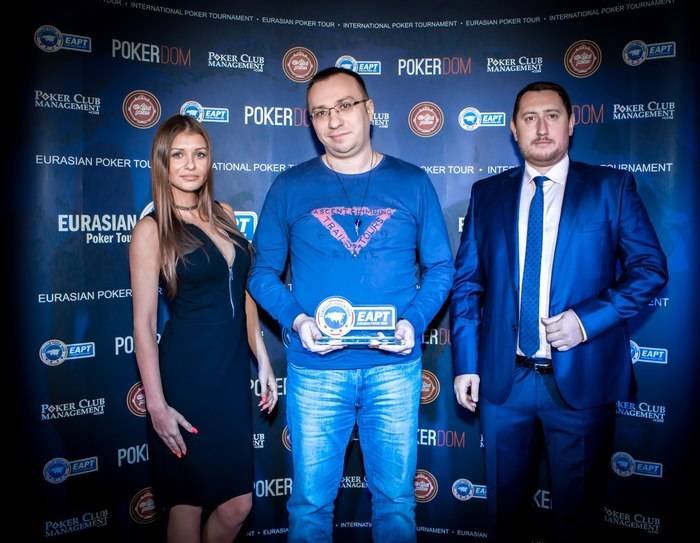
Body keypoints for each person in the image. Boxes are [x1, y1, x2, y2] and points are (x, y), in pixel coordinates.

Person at [451, 81, 667, 542]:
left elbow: (650, 269)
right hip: (503, 384)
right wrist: (466, 362)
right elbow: (468, 283)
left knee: (577, 521)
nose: (541, 127)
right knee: (504, 520)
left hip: (581, 383)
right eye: (529, 118)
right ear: (513, 129)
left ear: (571, 124)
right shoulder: (487, 194)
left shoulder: (611, 187)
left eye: (552, 115)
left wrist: (586, 321)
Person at [248, 67, 454, 542]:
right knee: (310, 507)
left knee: (396, 504)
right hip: (316, 371)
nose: (333, 120)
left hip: (394, 369)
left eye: (344, 106)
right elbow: (261, 273)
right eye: (320, 112)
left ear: (369, 110)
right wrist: (298, 321)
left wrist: (414, 322)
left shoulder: (412, 182)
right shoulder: (290, 186)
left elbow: (441, 267)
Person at [129, 114, 277, 543]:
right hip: (185, 379)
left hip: (229, 376)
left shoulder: (224, 215)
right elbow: (143, 325)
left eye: (199, 154)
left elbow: (244, 294)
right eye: (178, 155)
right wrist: (157, 405)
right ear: (163, 162)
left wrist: (262, 358)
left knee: (237, 506)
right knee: (187, 505)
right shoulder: (152, 230)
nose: (191, 165)